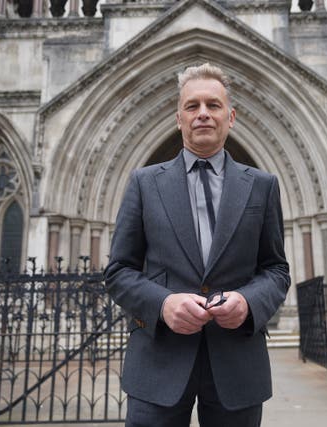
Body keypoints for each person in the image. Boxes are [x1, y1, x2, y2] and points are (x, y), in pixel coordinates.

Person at [105, 63, 290, 427]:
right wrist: (163, 303)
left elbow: (276, 270)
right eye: (192, 106)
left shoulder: (263, 185)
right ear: (178, 118)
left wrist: (248, 303)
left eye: (213, 105)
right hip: (158, 363)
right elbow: (118, 271)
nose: (202, 113)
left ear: (231, 116)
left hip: (237, 365)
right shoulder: (144, 183)